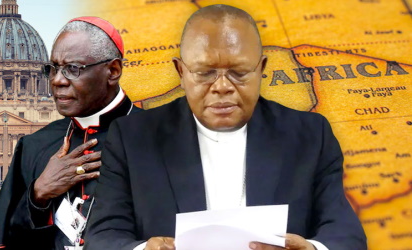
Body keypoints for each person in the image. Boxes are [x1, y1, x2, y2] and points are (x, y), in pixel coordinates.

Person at [85, 4, 367, 250]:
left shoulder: (310, 135)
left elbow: (345, 235)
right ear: (180, 72)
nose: (222, 87)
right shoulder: (132, 137)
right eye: (205, 73)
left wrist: (313, 249)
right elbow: (103, 237)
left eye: (239, 73)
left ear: (262, 68)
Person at [0, 16, 140, 250]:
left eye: (73, 69)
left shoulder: (164, 137)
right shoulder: (33, 145)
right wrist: (38, 194)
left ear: (113, 71)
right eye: (52, 69)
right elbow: (5, 241)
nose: (57, 81)